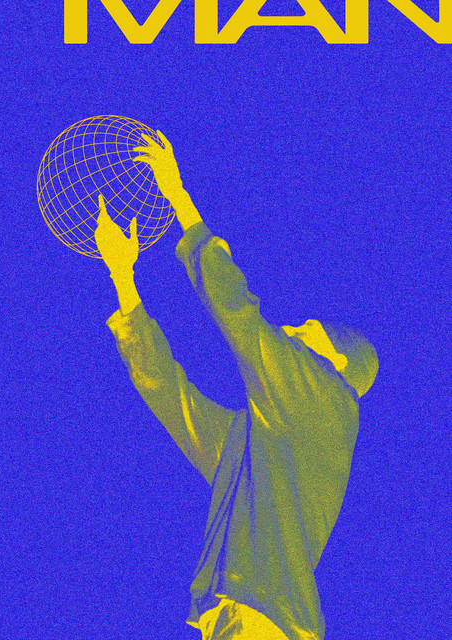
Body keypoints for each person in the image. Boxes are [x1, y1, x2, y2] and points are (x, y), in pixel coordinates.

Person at [94, 132, 379, 640]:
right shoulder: (256, 441)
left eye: (305, 331)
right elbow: (169, 394)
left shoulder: (327, 398)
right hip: (234, 618)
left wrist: (179, 199)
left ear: (334, 362)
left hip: (265, 622)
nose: (288, 330)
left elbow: (238, 313)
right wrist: (124, 278)